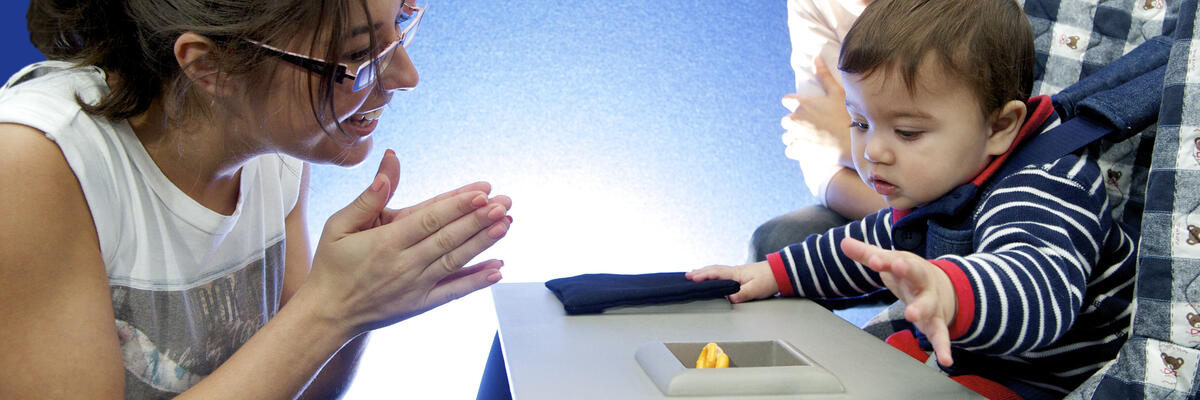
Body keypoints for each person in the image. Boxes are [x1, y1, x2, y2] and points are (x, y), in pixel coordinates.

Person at [0, 0, 514, 398]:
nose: (405, 76)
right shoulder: (37, 164)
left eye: (400, 26)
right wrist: (331, 308)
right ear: (212, 67)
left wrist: (364, 302)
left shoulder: (273, 143)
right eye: (359, 56)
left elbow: (302, 389)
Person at [689, 0, 1137, 397]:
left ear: (999, 127)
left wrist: (950, 292)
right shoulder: (945, 181)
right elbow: (860, 248)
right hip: (968, 350)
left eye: (906, 132)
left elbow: (1036, 289)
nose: (873, 151)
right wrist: (770, 273)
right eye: (860, 123)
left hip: (1044, 374)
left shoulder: (1049, 182)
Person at [749, 0, 883, 263]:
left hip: (965, 179)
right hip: (884, 193)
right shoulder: (811, 5)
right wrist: (909, 215)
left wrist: (846, 142)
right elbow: (822, 165)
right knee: (777, 243)